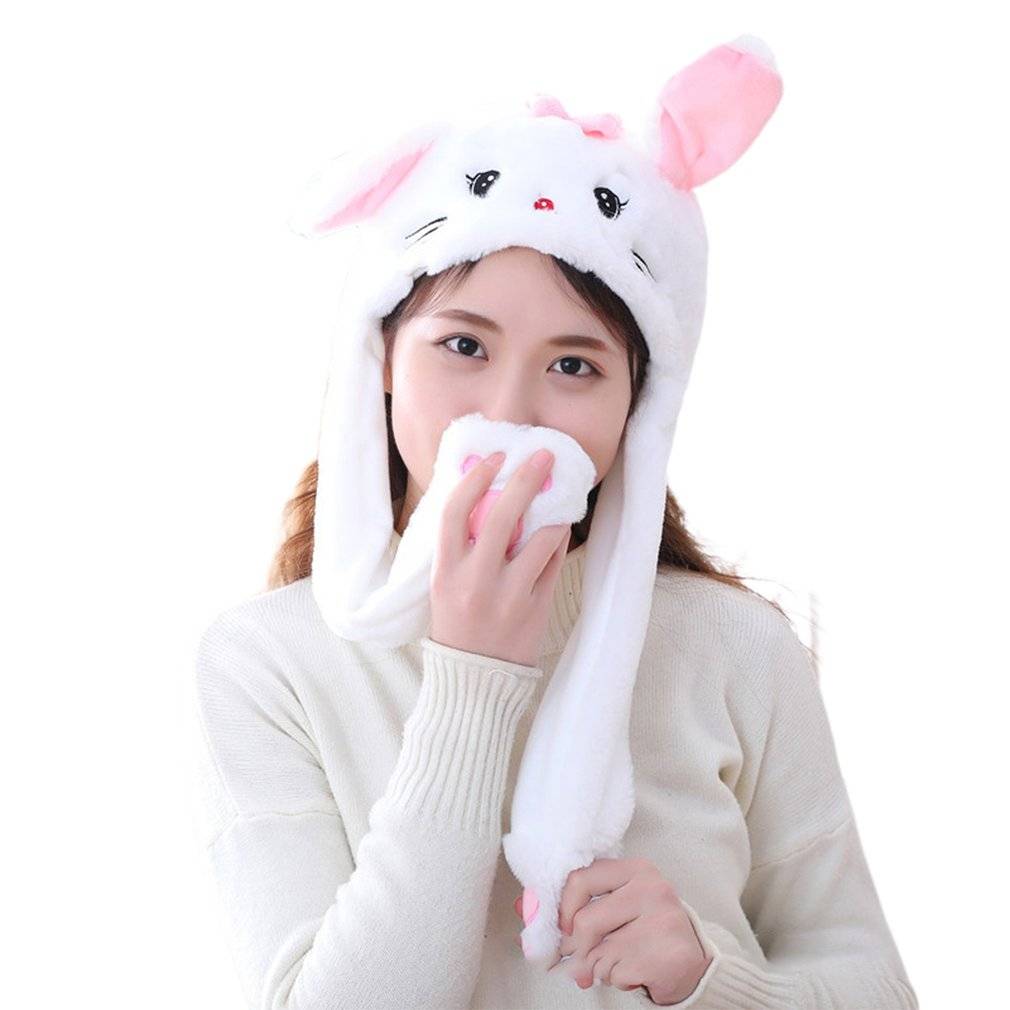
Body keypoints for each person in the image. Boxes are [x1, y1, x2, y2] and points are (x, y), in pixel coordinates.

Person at [192, 39, 918, 1010]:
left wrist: (709, 977)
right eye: (463, 344)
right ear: (382, 359)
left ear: (637, 406)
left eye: (574, 365)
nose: (511, 413)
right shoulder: (267, 663)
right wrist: (474, 676)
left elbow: (875, 985)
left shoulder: (735, 646)